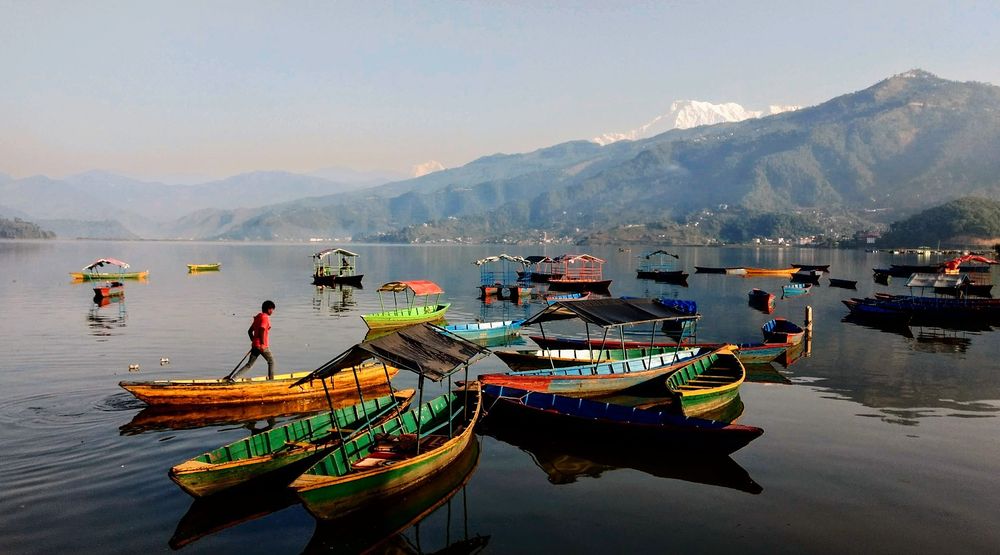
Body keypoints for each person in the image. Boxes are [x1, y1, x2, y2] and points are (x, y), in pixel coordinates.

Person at [229, 300, 276, 380]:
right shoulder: (265, 317)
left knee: (249, 364)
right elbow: (262, 329)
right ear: (268, 309)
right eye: (272, 309)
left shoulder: (258, 317)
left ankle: (234, 378)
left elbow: (249, 331)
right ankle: (271, 381)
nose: (272, 311)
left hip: (255, 345)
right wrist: (262, 344)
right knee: (271, 361)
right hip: (262, 345)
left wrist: (254, 342)